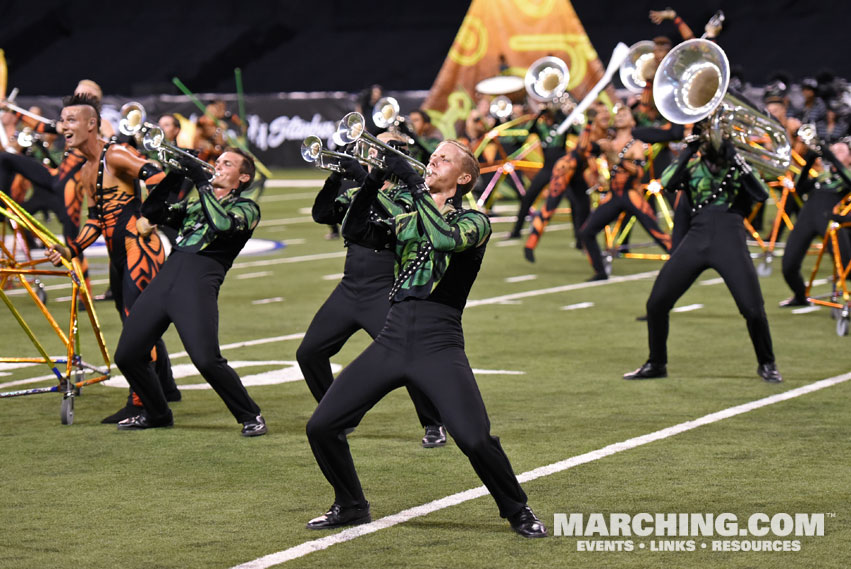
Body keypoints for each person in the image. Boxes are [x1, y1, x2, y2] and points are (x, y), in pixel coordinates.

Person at [304, 140, 547, 538]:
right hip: (392, 335)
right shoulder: (407, 218)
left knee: (474, 438)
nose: (433, 160)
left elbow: (443, 239)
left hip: (439, 341)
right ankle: (350, 504)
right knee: (322, 426)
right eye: (432, 156)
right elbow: (353, 228)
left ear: (464, 178)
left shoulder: (475, 221)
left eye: (444, 158)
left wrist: (416, 182)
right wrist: (374, 179)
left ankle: (518, 510)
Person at [297, 133, 446, 447]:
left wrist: (366, 179)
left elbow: (395, 216)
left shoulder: (412, 192)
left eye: (382, 146)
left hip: (385, 289)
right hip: (350, 287)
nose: (368, 150)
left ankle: (434, 424)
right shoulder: (359, 190)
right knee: (309, 353)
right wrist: (336, 176)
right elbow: (322, 215)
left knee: (409, 358)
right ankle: (337, 415)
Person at [109, 148, 267, 435]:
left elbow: (221, 225)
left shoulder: (247, 208)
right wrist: (175, 175)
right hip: (166, 278)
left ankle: (250, 414)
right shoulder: (195, 204)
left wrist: (201, 182)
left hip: (198, 284)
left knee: (207, 359)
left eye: (227, 164)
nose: (218, 166)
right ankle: (157, 413)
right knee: (127, 355)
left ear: (242, 177)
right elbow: (152, 212)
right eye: (217, 161)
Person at [44, 93, 180, 422]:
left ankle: (141, 402)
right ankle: (166, 387)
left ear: (92, 124)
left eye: (71, 120)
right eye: (63, 120)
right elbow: (95, 218)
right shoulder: (89, 168)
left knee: (136, 326)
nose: (64, 126)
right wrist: (71, 249)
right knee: (136, 323)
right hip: (117, 254)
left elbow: (156, 174)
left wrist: (152, 215)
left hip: (139, 249)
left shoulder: (115, 154)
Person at [623, 129, 783, 383]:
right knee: (656, 304)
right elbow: (667, 183)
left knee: (752, 309)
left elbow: (761, 194)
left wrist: (736, 158)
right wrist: (688, 150)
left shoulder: (737, 166)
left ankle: (767, 362)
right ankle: (656, 363)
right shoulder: (693, 165)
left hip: (729, 238)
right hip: (697, 238)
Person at [577, 104, 672, 280]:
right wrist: (589, 123)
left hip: (631, 194)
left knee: (657, 233)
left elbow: (639, 172)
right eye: (618, 115)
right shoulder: (608, 143)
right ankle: (600, 271)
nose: (619, 117)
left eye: (624, 115)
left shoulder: (636, 145)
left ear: (632, 122)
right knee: (586, 232)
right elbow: (583, 149)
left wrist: (617, 160)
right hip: (614, 194)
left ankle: (681, 264)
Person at [523, 101, 610, 261]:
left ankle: (583, 244)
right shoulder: (589, 130)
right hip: (564, 169)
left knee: (583, 208)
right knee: (550, 206)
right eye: (600, 112)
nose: (605, 115)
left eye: (606, 111)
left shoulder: (605, 133)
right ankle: (530, 244)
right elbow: (585, 149)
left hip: (577, 173)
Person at [780, 139, 851, 307]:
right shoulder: (823, 175)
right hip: (807, 217)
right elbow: (799, 188)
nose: (836, 153)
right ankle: (800, 296)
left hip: (829, 220)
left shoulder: (846, 174)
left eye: (841, 151)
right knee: (788, 266)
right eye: (834, 150)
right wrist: (810, 160)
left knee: (845, 265)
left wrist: (832, 158)